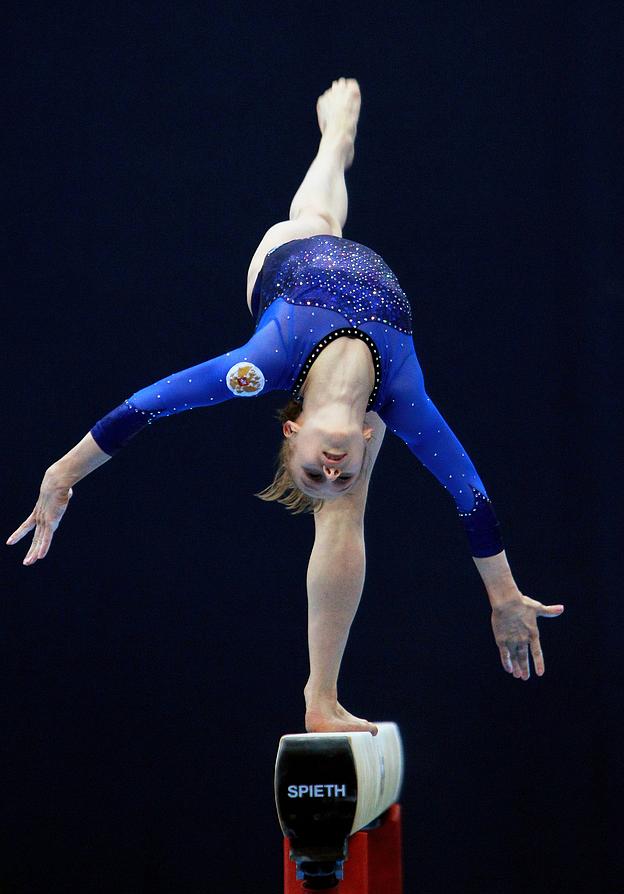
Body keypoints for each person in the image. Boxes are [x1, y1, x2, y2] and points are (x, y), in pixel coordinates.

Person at [6, 78, 564, 734]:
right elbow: (471, 498)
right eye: (341, 469)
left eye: (311, 470)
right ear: (363, 435)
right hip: (360, 303)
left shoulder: (261, 365)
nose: (331, 468)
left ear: (292, 427)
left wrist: (62, 473)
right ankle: (321, 699)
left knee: (314, 221)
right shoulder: (399, 398)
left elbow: (144, 407)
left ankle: (333, 143)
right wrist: (502, 597)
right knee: (343, 511)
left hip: (283, 259)